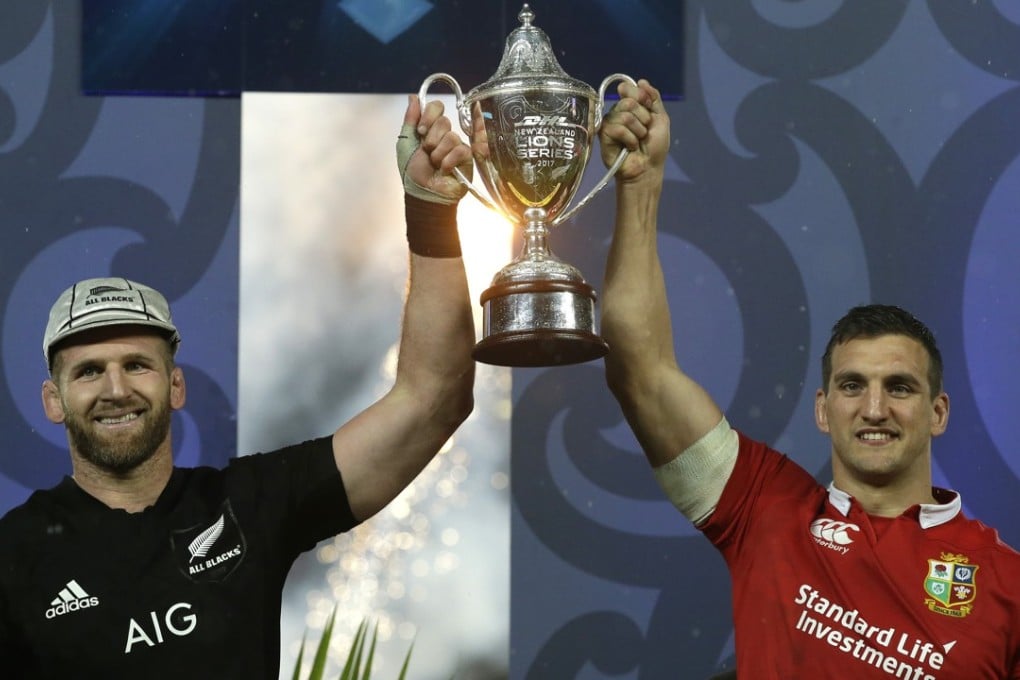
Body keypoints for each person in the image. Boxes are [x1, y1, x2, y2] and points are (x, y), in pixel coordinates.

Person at [0, 95, 476, 678]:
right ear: (54, 401)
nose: (116, 388)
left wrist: (430, 212)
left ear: (176, 386)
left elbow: (433, 399)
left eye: (138, 365)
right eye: (89, 370)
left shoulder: (248, 505)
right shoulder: (13, 557)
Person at [598, 79, 1020, 678]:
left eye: (899, 387)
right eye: (853, 386)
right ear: (823, 409)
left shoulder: (1008, 585)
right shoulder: (763, 506)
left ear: (939, 412)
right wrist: (639, 185)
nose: (874, 407)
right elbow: (638, 369)